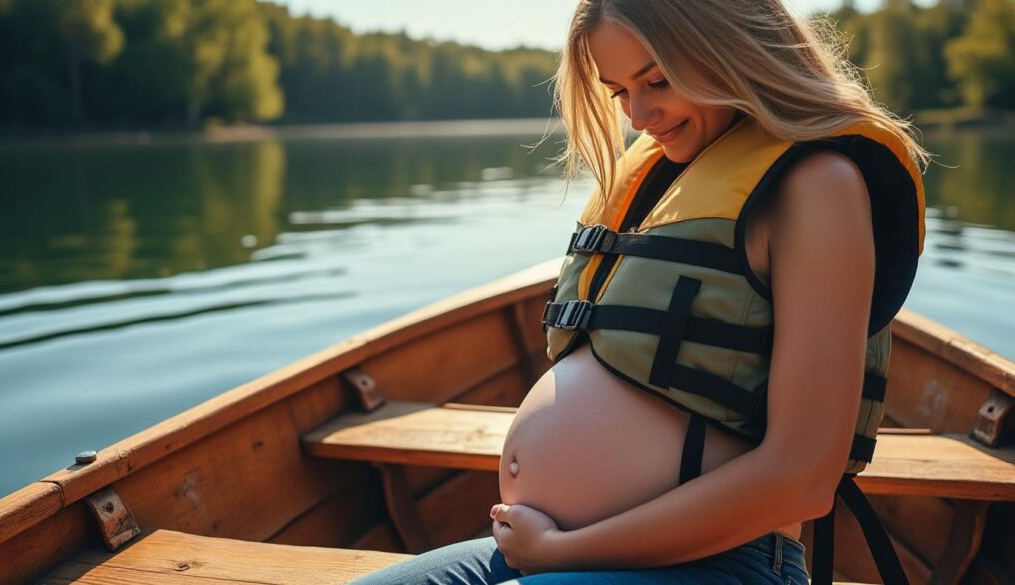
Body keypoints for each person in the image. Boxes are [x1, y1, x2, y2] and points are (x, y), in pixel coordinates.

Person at [350, 0, 931, 583]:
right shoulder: (669, 177)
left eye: (657, 80)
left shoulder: (817, 184)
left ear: (734, 46)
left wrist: (559, 554)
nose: (639, 114)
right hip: (559, 549)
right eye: (619, 91)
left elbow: (802, 479)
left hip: (717, 563)